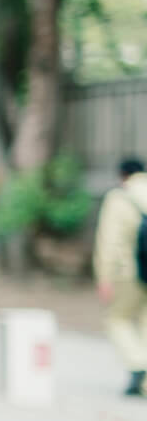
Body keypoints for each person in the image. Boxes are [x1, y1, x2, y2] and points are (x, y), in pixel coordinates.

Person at [93, 156, 147, 398]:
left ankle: (138, 365)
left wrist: (104, 276)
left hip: (128, 272)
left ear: (122, 175)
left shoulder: (119, 198)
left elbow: (109, 241)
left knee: (118, 319)